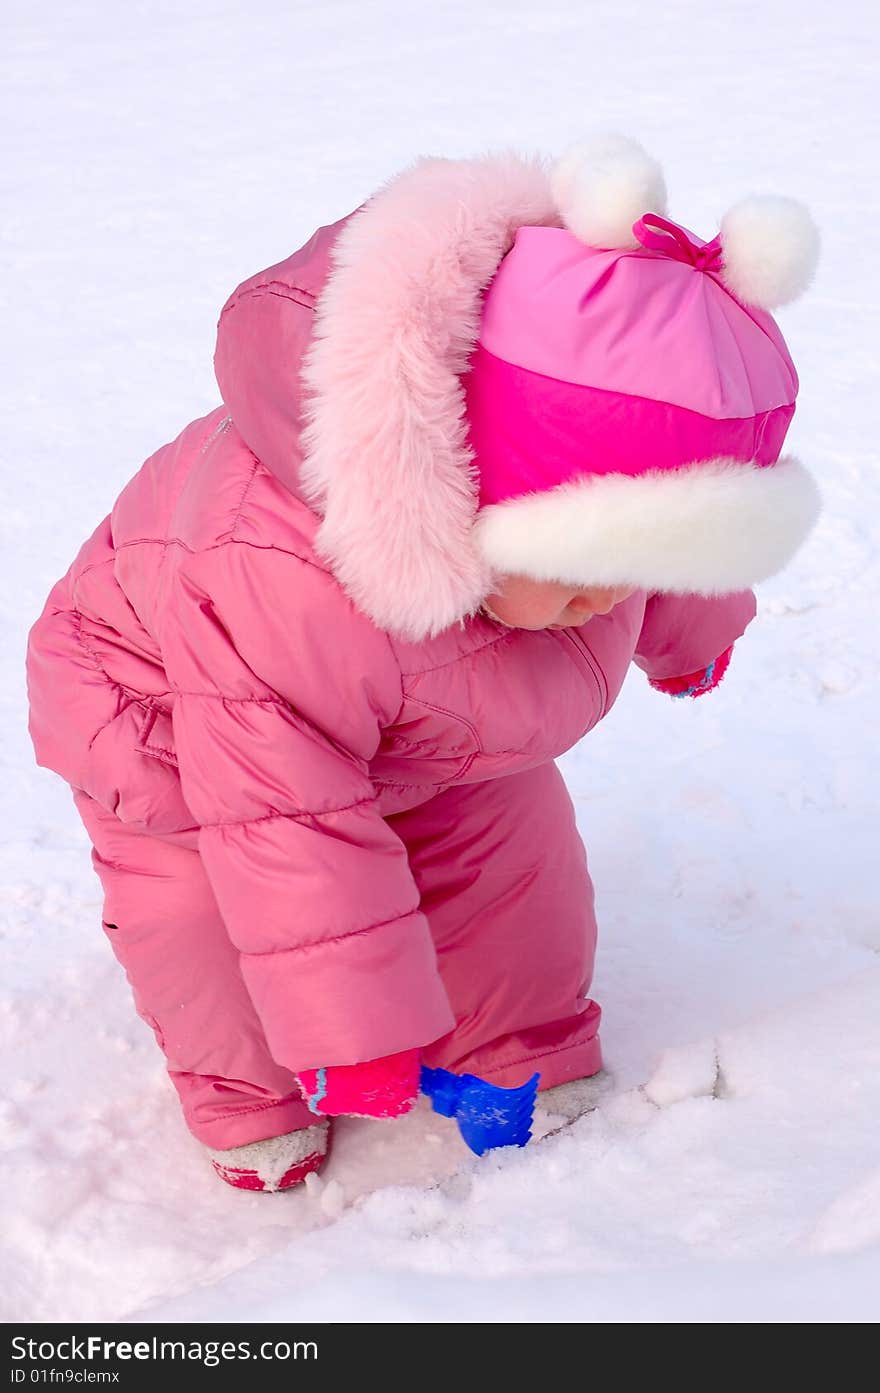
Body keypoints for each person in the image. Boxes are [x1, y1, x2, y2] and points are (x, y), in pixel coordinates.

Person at [25, 134, 821, 1192]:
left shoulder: (589, 546)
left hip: (426, 721)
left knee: (510, 862)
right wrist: (354, 1029)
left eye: (638, 570)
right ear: (472, 495)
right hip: (171, 719)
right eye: (583, 569)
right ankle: (246, 1097)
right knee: (202, 913)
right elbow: (282, 816)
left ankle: (518, 1047)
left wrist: (691, 636)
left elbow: (661, 540)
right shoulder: (280, 581)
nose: (609, 601)